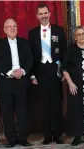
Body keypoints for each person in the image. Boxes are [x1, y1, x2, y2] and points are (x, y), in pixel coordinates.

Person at [28, 3, 67, 144]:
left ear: (49, 14)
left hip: (55, 70)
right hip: (40, 72)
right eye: (41, 14)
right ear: (37, 16)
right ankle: (47, 136)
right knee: (43, 105)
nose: (44, 16)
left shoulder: (59, 31)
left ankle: (57, 134)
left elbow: (64, 53)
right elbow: (30, 56)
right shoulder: (32, 33)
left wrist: (63, 72)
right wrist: (32, 75)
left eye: (46, 13)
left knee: (56, 103)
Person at [0, 18, 33, 148]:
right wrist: (11, 72)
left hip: (22, 80)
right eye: (9, 26)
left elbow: (30, 58)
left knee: (23, 111)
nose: (12, 28)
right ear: (4, 30)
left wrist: (23, 71)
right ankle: (11, 139)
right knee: (7, 112)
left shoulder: (24, 43)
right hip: (6, 82)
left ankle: (23, 138)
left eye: (14, 26)